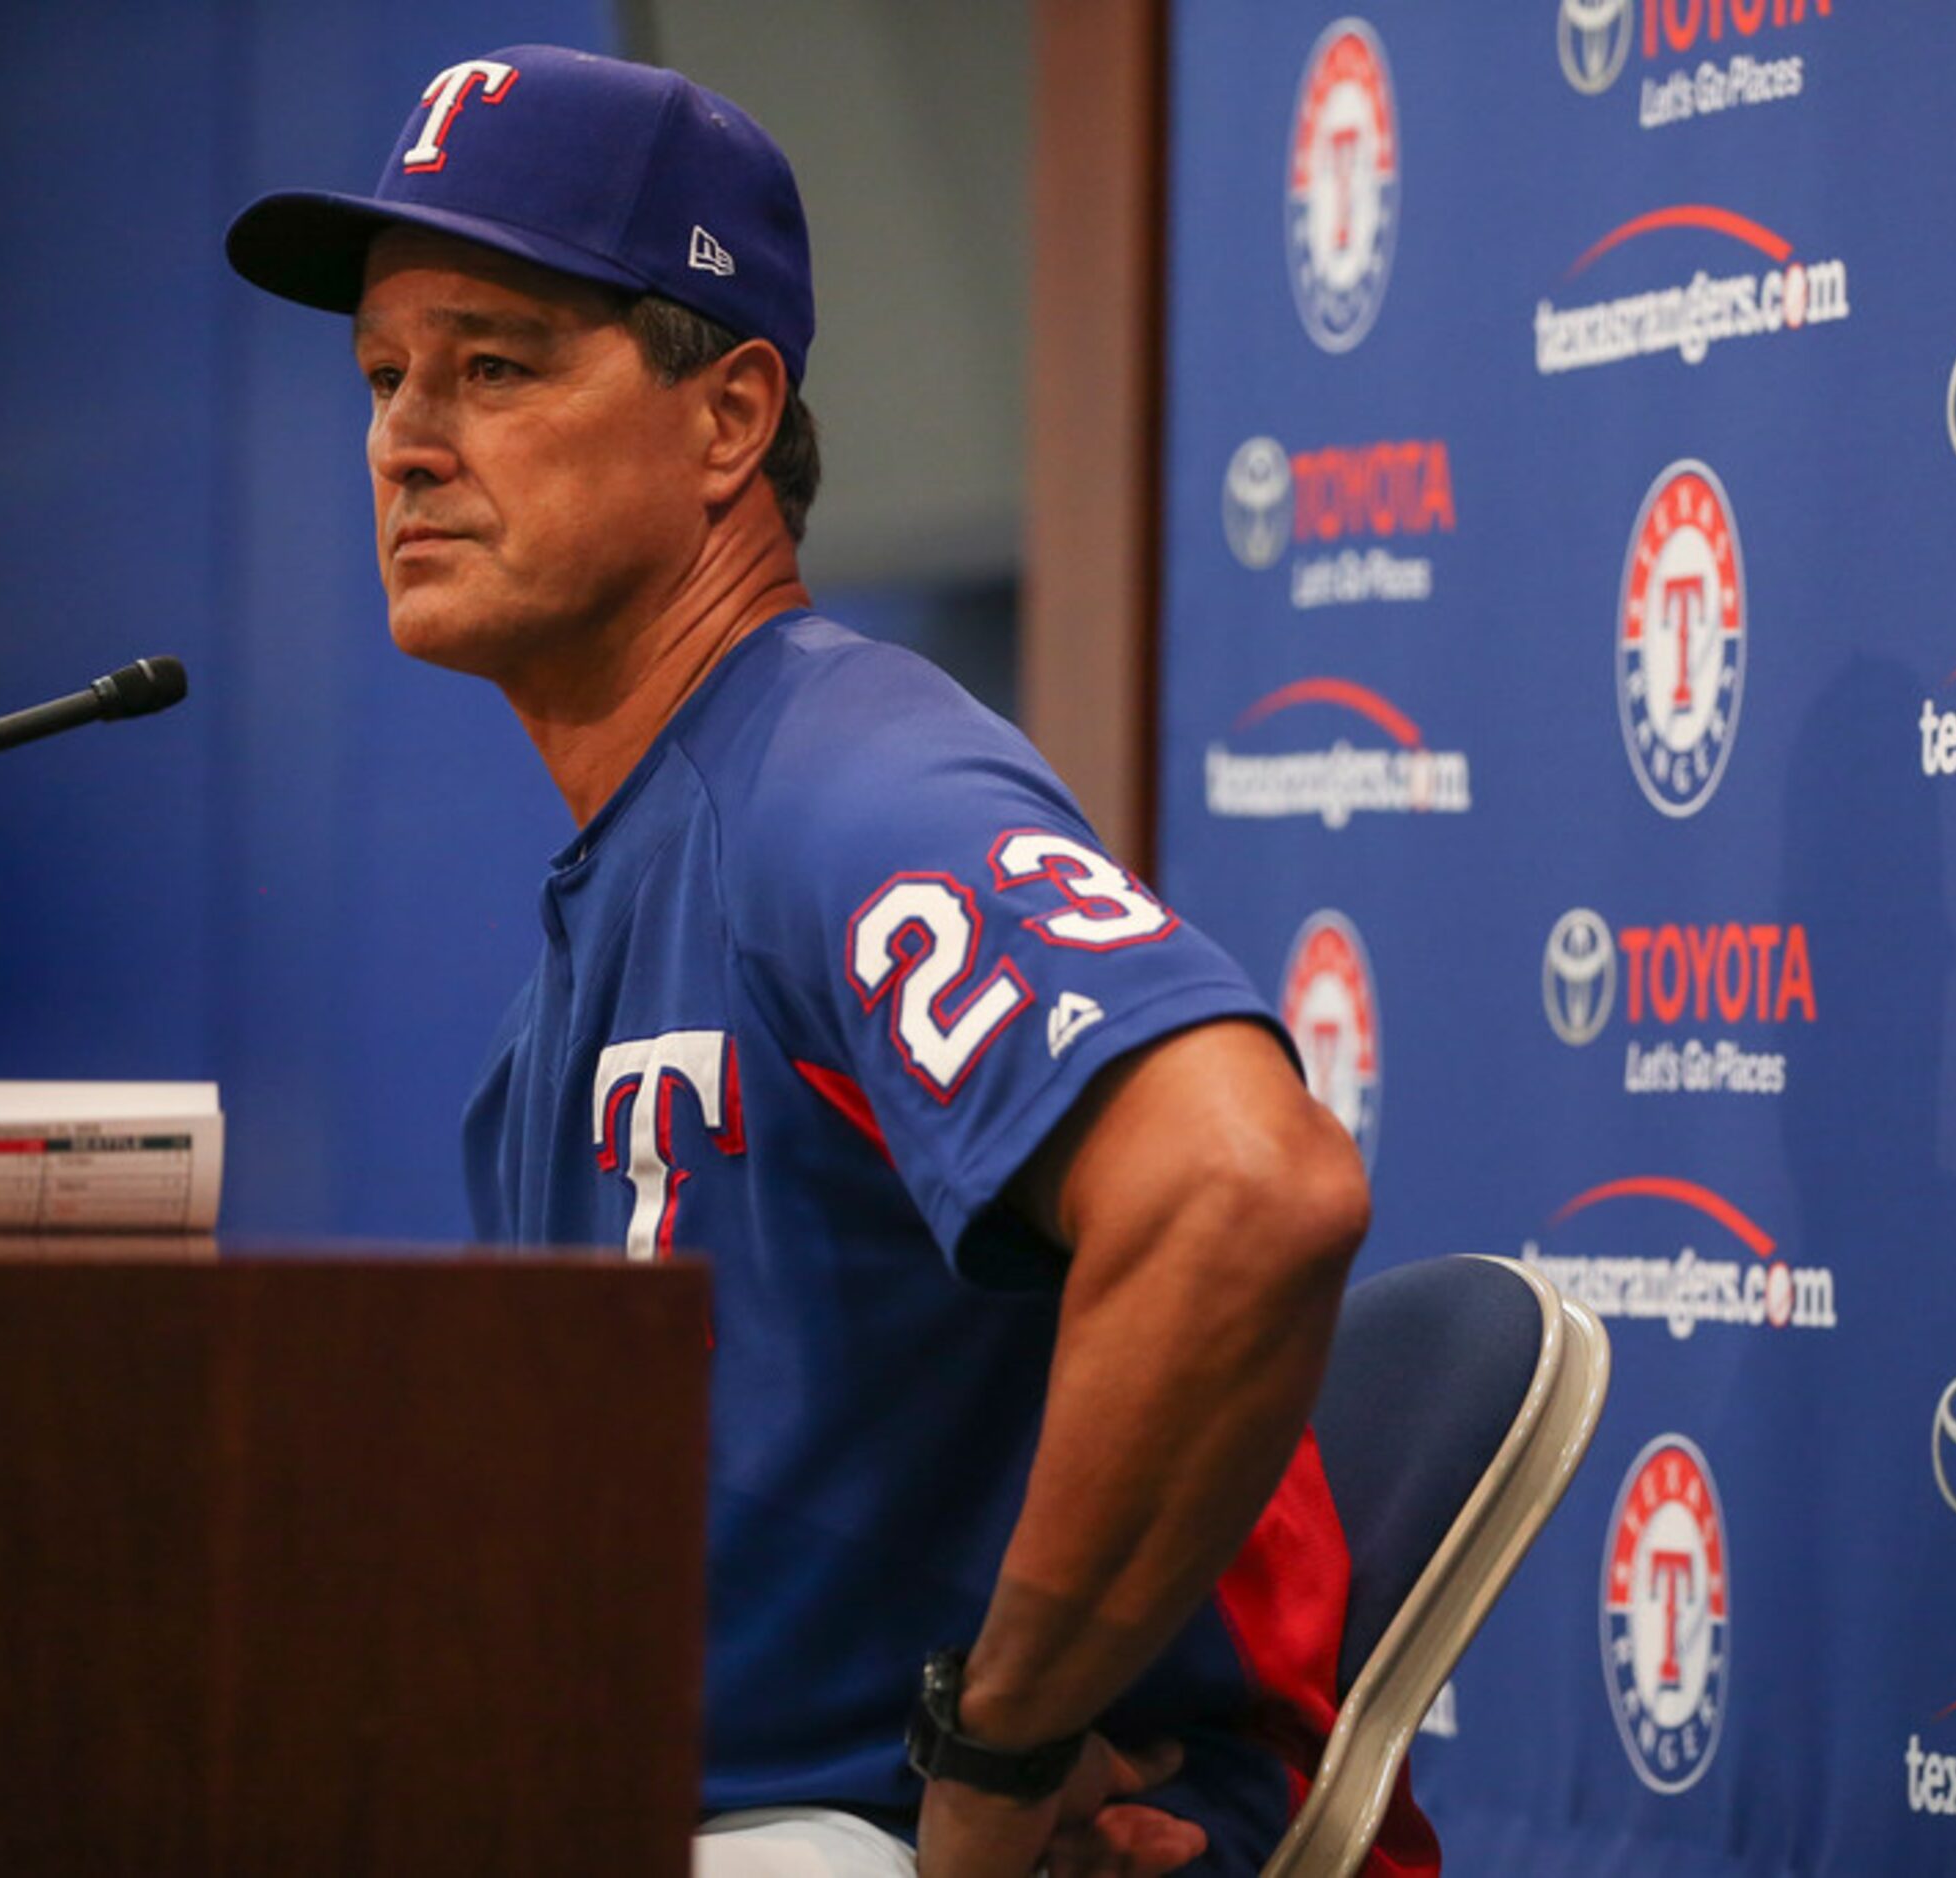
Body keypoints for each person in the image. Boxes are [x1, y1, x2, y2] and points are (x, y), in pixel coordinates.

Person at [225, 45, 1435, 1878]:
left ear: (729, 419)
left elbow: (1248, 1191)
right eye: (385, 376)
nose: (405, 435)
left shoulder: (845, 779)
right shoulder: (600, 927)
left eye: (494, 363)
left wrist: (996, 1747)